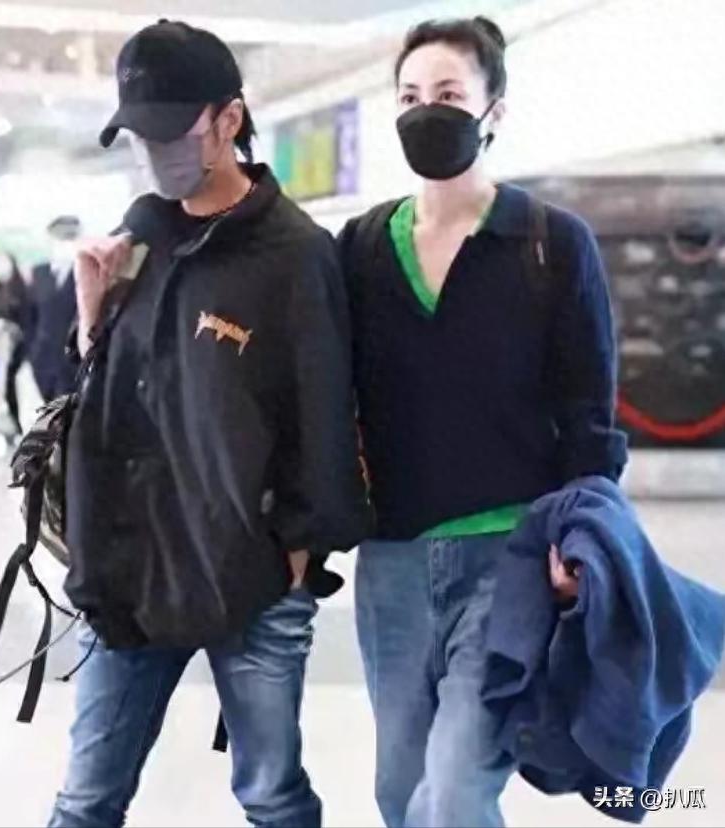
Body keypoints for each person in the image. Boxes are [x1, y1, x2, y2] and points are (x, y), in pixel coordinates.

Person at [48, 20, 370, 828]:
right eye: (139, 136)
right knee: (85, 800)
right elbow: (100, 402)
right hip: (129, 570)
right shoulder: (135, 240)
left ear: (229, 119)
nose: (155, 153)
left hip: (250, 579)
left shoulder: (294, 254)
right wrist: (90, 321)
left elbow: (325, 414)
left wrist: (297, 553)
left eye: (171, 131)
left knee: (271, 795)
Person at [337, 17, 628, 828]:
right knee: (400, 792)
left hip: (511, 556)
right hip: (391, 561)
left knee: (458, 787)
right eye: (408, 97)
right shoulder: (360, 248)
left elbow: (589, 411)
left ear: (492, 110)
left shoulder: (549, 243)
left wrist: (582, 542)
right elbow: (319, 391)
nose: (425, 111)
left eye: (447, 93)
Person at [29, 215, 81, 402]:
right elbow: (31, 315)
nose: (66, 244)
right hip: (43, 359)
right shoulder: (39, 273)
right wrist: (32, 351)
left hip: (73, 360)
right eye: (61, 238)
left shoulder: (85, 273)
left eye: (70, 238)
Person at [0, 252, 35, 433]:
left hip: (15, 346)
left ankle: (16, 422)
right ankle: (3, 420)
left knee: (9, 383)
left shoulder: (21, 291)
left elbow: (27, 320)